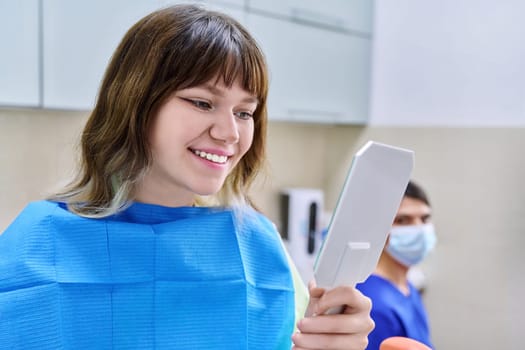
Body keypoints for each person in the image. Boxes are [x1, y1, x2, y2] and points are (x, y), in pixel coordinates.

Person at [0, 4, 374, 349]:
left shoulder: (257, 245)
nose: (229, 133)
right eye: (202, 103)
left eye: (245, 113)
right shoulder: (39, 242)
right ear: (135, 102)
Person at [356, 180, 437, 350]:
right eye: (402, 220)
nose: (419, 229)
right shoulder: (373, 303)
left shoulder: (407, 288)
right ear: (377, 229)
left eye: (425, 218)